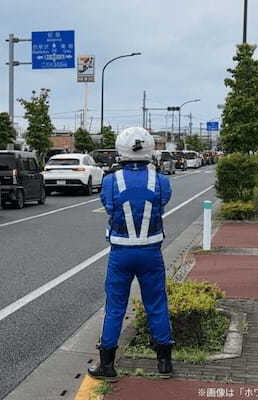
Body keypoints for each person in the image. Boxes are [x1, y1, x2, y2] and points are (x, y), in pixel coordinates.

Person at [88, 127, 173, 379]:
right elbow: (162, 202)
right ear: (149, 149)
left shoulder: (110, 180)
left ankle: (106, 364)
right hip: (151, 252)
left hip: (121, 252)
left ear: (120, 149)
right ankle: (164, 362)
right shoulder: (160, 180)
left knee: (115, 307)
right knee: (156, 304)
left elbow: (109, 206)